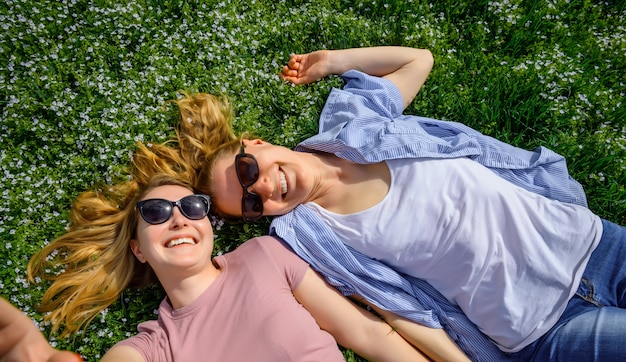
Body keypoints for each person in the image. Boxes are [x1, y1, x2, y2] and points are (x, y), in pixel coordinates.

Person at [172, 46, 626, 361]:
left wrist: (332, 62)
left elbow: (417, 60)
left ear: (257, 143)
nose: (264, 191)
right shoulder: (313, 236)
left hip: (597, 246)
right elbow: (395, 310)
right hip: (542, 330)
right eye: (252, 205)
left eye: (249, 172)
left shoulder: (353, 122)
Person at [23, 141, 467, 361]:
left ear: (208, 225)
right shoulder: (157, 344)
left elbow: (369, 334)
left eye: (191, 207)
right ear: (139, 250)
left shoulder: (264, 255)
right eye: (156, 212)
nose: (178, 218)